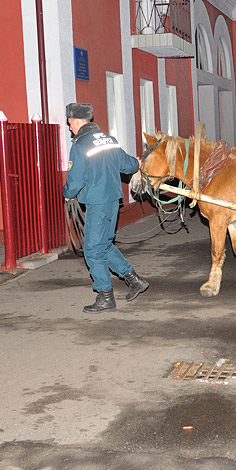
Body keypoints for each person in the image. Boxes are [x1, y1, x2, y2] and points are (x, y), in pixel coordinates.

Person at [62, 103, 149, 313]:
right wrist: (137, 163)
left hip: (97, 203)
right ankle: (133, 279)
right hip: (113, 201)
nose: (70, 127)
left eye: (70, 123)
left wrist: (67, 194)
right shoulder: (109, 140)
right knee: (103, 244)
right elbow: (128, 165)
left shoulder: (81, 145)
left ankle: (105, 297)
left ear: (76, 121)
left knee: (92, 250)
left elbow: (75, 179)